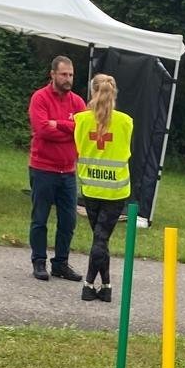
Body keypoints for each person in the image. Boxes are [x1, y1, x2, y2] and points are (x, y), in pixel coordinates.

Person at [72, 72, 134, 304]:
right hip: (116, 191)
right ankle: (99, 286)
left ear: (91, 92)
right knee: (101, 239)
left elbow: (78, 147)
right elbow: (126, 150)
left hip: (91, 189)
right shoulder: (126, 122)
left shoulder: (80, 120)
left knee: (100, 239)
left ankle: (96, 286)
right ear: (114, 93)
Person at [28, 55, 85, 283]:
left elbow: (82, 131)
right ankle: (39, 261)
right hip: (43, 168)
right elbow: (42, 130)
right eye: (63, 74)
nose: (68, 78)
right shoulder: (40, 98)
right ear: (52, 74)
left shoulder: (78, 102)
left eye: (70, 75)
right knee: (40, 218)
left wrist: (59, 124)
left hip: (68, 171)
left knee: (68, 220)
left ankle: (61, 263)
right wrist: (69, 131)